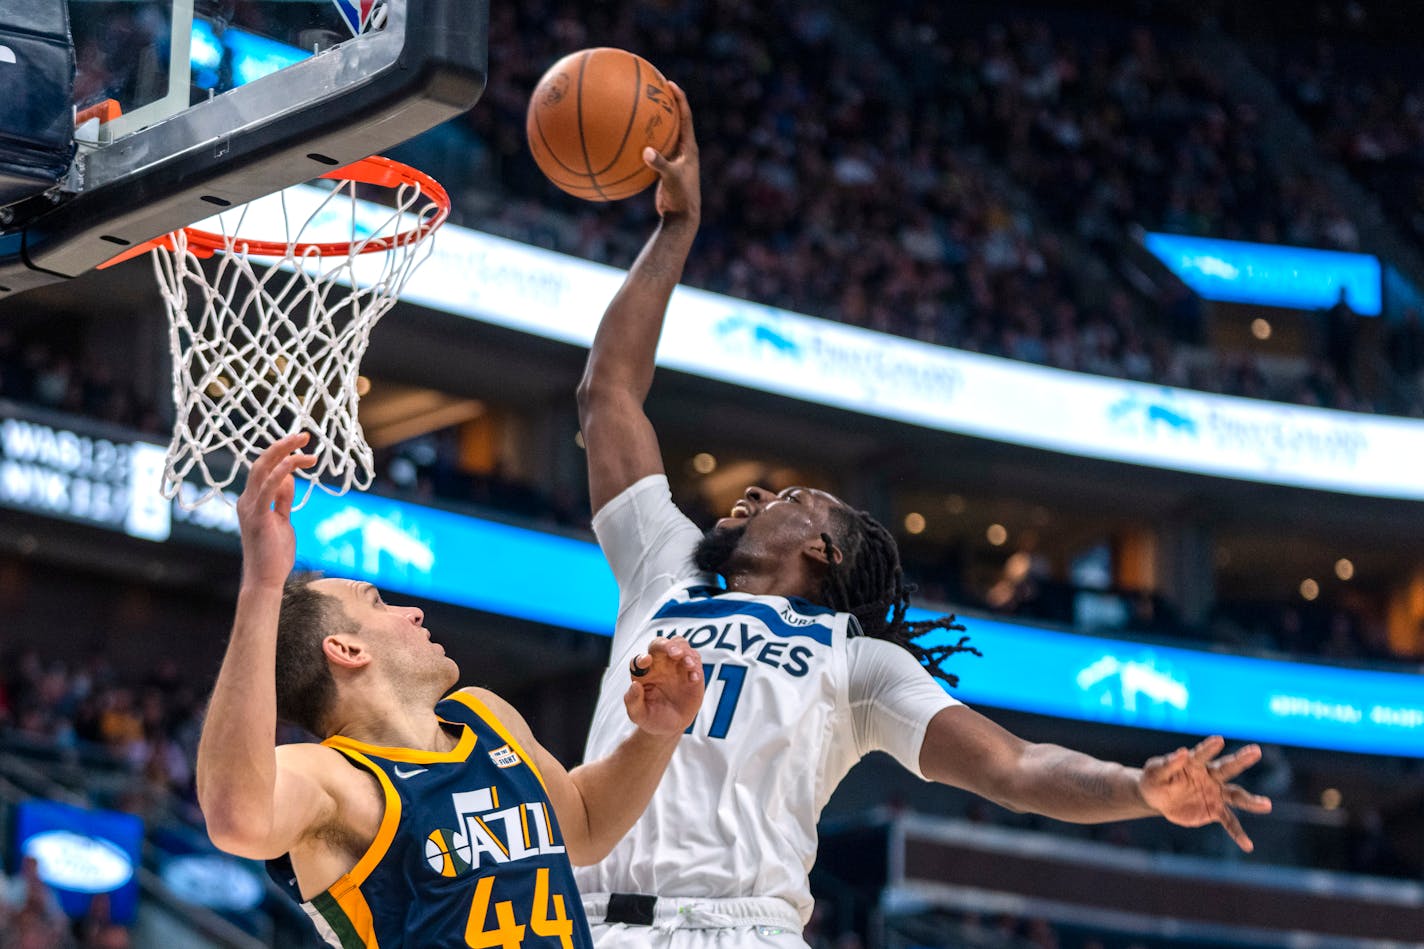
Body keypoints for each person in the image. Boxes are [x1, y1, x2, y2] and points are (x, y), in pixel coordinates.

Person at [573, 85, 1273, 948]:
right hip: (577, 922)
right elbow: (608, 393)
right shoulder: (665, 567)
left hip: (733, 926)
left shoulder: (858, 664)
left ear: (824, 551)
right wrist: (675, 230)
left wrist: (1138, 787)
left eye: (788, 498)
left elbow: (1015, 765)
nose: (753, 497)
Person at [196, 434, 706, 949]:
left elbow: (588, 828)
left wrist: (658, 735)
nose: (412, 611)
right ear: (346, 650)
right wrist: (261, 587)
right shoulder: (334, 777)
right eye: (377, 603)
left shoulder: (484, 716)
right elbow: (237, 818)